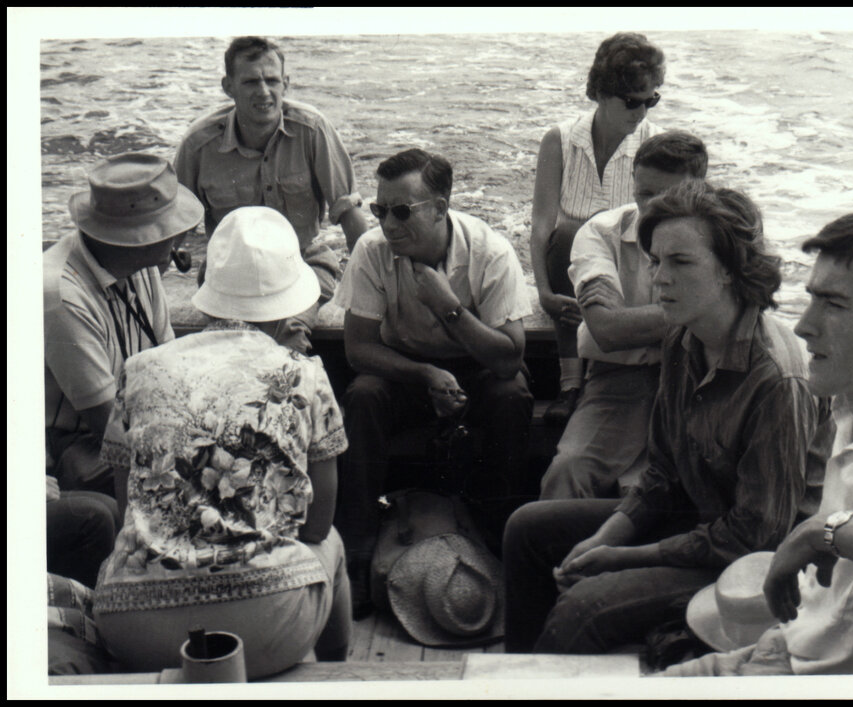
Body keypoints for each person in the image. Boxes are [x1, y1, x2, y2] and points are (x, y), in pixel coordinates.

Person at [504, 180, 833, 654]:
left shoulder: (779, 381)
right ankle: (518, 676)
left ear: (730, 270)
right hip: (697, 519)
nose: (659, 279)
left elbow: (753, 535)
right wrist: (604, 538)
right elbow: (662, 473)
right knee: (527, 529)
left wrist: (621, 559)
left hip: (754, 564)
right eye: (656, 261)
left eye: (680, 262)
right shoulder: (683, 339)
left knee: (584, 608)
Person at [662, 207, 853, 676]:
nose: (804, 326)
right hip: (788, 642)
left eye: (833, 304)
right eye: (811, 299)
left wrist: (824, 529)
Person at [93, 206, 352, 679]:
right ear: (291, 303)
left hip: (134, 624)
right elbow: (316, 525)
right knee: (330, 544)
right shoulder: (305, 373)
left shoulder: (140, 369)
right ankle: (335, 680)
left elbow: (125, 507)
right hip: (267, 622)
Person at [333, 148, 535, 618]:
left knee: (514, 398)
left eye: (402, 211)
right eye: (380, 210)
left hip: (478, 364)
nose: (387, 224)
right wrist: (426, 374)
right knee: (362, 396)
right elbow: (358, 348)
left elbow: (509, 358)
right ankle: (358, 552)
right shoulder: (371, 252)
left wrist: (448, 307)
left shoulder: (490, 252)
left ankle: (491, 540)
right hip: (404, 367)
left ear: (441, 209)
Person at [540, 130, 708, 500]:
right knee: (566, 474)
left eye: (668, 197)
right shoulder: (600, 234)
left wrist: (639, 320)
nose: (653, 209)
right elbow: (607, 330)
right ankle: (562, 558)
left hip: (703, 378)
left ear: (700, 190)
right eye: (644, 194)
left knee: (704, 481)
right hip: (618, 380)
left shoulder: (726, 234)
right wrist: (702, 309)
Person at [174, 36, 369, 351]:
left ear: (286, 84)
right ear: (228, 86)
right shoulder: (198, 144)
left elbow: (348, 214)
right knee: (226, 343)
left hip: (302, 265)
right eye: (251, 81)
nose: (264, 92)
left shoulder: (313, 130)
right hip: (227, 274)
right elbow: (173, 226)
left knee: (290, 334)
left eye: (272, 80)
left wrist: (377, 288)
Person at [44, 152, 202, 498]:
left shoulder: (142, 264)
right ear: (137, 240)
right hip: (78, 445)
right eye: (172, 233)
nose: (179, 243)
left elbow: (170, 367)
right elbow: (106, 426)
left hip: (135, 419)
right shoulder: (60, 295)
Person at [530, 32, 665, 424]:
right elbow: (541, 227)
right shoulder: (559, 141)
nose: (642, 112)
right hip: (574, 272)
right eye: (632, 101)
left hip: (633, 267)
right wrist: (542, 292)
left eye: (651, 100)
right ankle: (571, 383)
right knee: (569, 236)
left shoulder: (656, 147)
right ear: (601, 93)